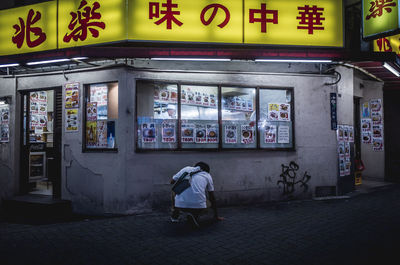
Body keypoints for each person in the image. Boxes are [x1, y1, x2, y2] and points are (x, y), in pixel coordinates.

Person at [170, 161, 223, 227]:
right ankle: (194, 215)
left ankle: (175, 215)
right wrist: (216, 216)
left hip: (180, 205)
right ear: (207, 170)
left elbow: (171, 182)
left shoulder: (186, 169)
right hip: (198, 207)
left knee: (174, 191)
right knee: (207, 203)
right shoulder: (207, 176)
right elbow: (212, 196)